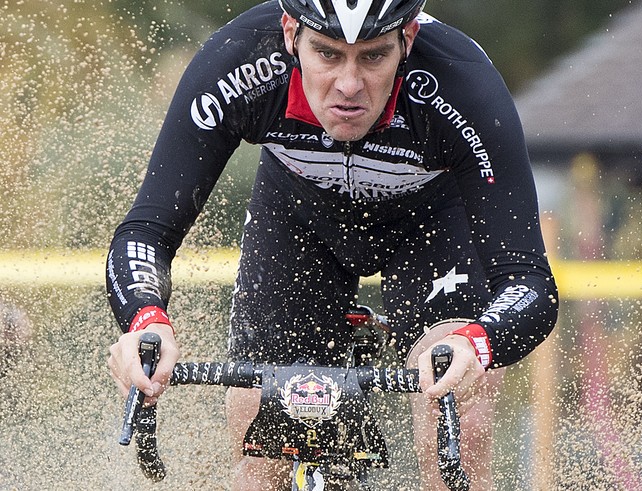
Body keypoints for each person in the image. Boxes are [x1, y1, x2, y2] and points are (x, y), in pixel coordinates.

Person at [106, 0, 558, 489]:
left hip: (433, 221)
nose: (348, 84)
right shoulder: (238, 61)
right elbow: (146, 232)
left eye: (372, 56)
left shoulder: (461, 82)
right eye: (327, 54)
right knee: (261, 461)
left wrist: (478, 342)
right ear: (289, 33)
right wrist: (146, 321)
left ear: (406, 40)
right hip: (299, 220)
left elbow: (529, 281)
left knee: (458, 421)